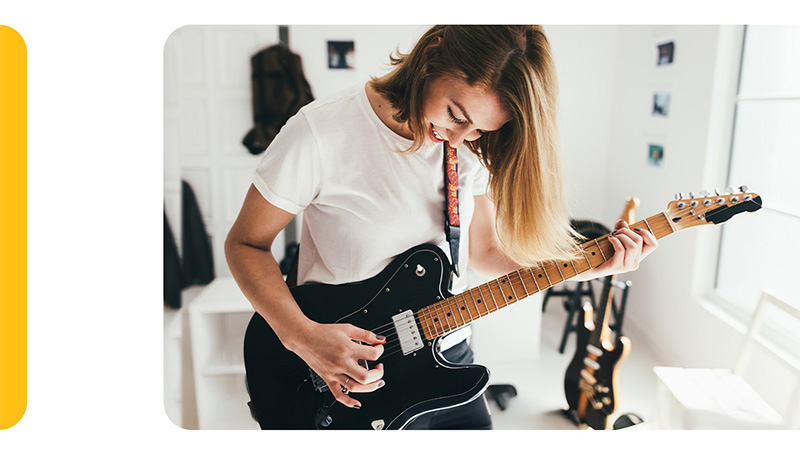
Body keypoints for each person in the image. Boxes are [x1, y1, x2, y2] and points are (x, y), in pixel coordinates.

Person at [225, 25, 658, 429]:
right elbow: (246, 243)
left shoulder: (468, 151)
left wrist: (583, 265)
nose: (457, 138)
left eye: (479, 130)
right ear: (432, 55)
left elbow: (484, 252)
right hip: (347, 365)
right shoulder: (319, 132)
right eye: (455, 113)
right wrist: (303, 338)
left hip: (446, 355)